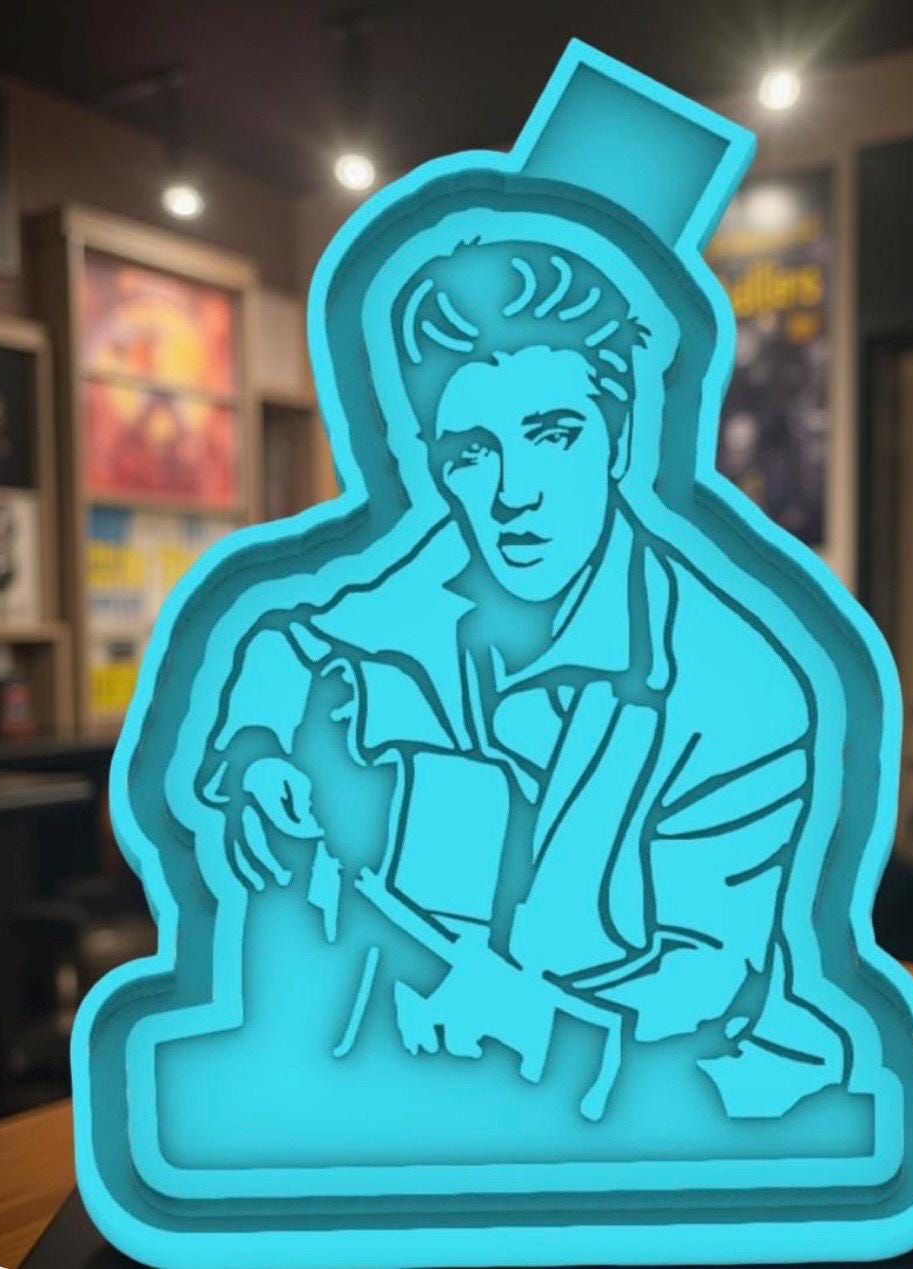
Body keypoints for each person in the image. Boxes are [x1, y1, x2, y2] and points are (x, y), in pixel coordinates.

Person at [182, 230, 848, 1123]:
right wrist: (257, 747)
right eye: (472, 452)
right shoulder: (445, 566)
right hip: (417, 1081)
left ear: (618, 440)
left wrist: (535, 1019)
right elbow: (287, 640)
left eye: (552, 436)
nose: (512, 494)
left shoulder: (737, 687)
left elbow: (706, 981)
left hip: (641, 1113)